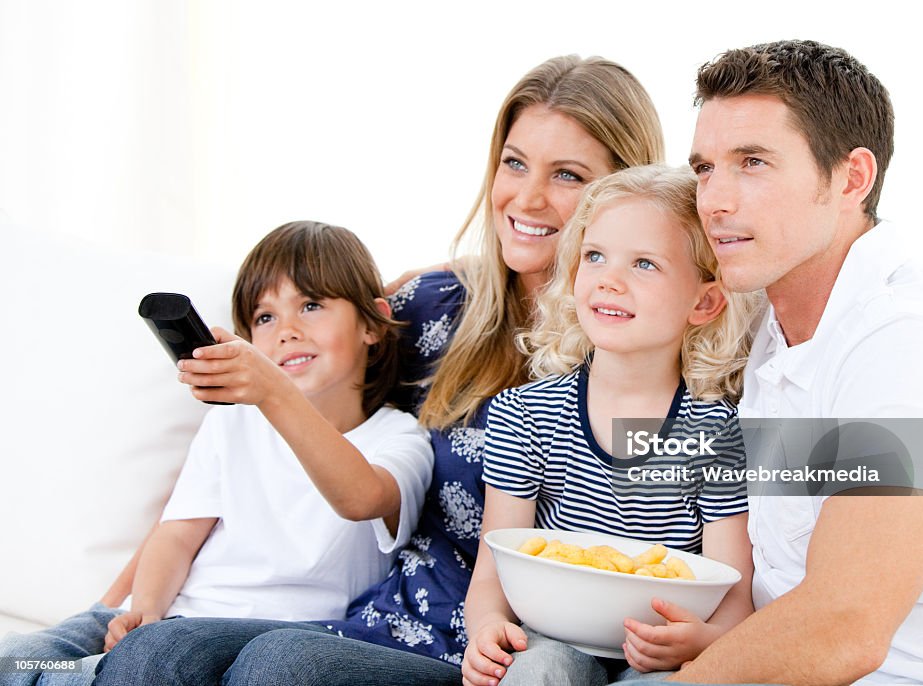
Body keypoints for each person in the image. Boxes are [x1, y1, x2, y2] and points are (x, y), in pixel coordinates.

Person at [92, 54, 666, 686]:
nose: (526, 198)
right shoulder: (435, 309)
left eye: (567, 175)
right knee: (153, 655)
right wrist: (111, 607)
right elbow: (323, 371)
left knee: (280, 664)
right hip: (377, 623)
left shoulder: (650, 345)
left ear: (623, 191)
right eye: (514, 162)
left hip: (495, 652)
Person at [618, 39, 923, 686]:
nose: (715, 200)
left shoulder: (914, 345)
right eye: (704, 168)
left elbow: (844, 626)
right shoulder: (780, 324)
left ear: (851, 179)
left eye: (752, 163)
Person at [0, 220, 434, 686]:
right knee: (19, 661)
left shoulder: (401, 438)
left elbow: (361, 498)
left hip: (251, 636)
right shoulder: (233, 420)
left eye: (310, 305)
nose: (286, 331)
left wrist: (271, 392)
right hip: (159, 616)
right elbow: (177, 535)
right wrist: (142, 610)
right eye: (265, 318)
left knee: (131, 664)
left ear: (372, 323)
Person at [462, 165, 760, 686]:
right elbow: (494, 567)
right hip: (549, 639)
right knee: (540, 673)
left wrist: (708, 641)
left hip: (660, 651)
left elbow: (734, 588)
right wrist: (486, 628)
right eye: (594, 256)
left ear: (704, 301)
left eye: (644, 263)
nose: (608, 279)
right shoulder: (524, 414)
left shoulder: (715, 433)